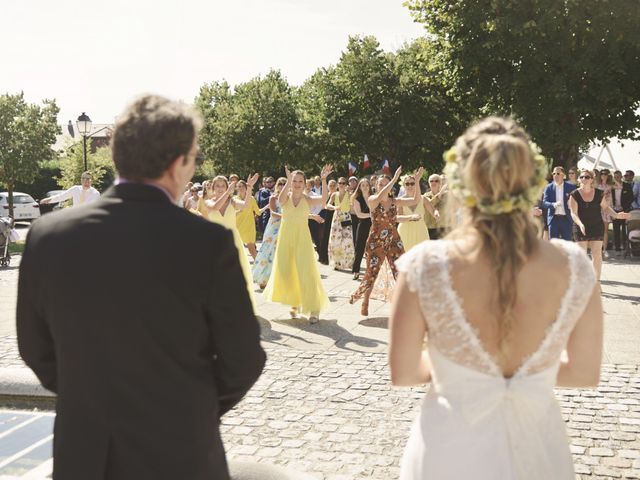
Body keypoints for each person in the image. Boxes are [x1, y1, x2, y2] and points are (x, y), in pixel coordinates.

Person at [17, 94, 265, 480]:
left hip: (86, 454)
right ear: (177, 163)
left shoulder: (48, 235)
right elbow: (244, 358)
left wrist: (91, 400)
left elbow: (35, 348)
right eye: (194, 159)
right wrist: (188, 410)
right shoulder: (207, 243)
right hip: (182, 452)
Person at [390, 117, 601, 480]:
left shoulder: (425, 266)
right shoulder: (574, 266)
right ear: (531, 182)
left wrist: (457, 369)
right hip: (540, 450)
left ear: (461, 184)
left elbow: (405, 372)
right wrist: (528, 378)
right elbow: (584, 373)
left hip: (447, 450)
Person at [349, 166, 424, 316]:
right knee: (372, 273)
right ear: (376, 186)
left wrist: (416, 181)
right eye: (380, 184)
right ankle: (365, 300)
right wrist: (394, 180)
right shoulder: (372, 200)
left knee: (401, 271)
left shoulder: (395, 201)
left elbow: (416, 199)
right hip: (376, 241)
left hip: (394, 239)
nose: (383, 187)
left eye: (386, 184)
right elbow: (379, 197)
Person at [264, 165, 333, 324]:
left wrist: (323, 180)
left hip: (302, 239)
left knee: (306, 272)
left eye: (300, 181)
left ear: (304, 183)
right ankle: (295, 302)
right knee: (287, 272)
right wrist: (288, 180)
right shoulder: (285, 197)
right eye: (294, 181)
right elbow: (280, 200)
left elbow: (323, 200)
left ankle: (314, 309)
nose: (296, 184)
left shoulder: (307, 199)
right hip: (285, 239)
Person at [201, 174, 258, 307]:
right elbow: (215, 207)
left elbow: (245, 205)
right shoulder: (209, 202)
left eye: (223, 185)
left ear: (227, 186)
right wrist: (228, 192)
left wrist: (249, 187)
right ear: (213, 188)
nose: (220, 188)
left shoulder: (232, 201)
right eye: (218, 186)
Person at [569, 169, 629, 278]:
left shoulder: (598, 193)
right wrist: (580, 224)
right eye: (582, 177)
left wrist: (616, 215)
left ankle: (596, 282)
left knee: (597, 255)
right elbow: (573, 213)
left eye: (587, 177)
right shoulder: (574, 194)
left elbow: (606, 208)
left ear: (592, 179)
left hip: (596, 226)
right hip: (580, 227)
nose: (584, 179)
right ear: (579, 179)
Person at [252, 177, 286, 289]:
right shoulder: (273, 197)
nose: (281, 186)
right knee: (269, 251)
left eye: (284, 184)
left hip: (287, 226)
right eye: (280, 183)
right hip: (274, 227)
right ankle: (264, 278)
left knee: (283, 251)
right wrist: (287, 216)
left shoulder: (290, 198)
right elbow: (273, 213)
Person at [397, 174, 439, 252]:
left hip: (420, 231)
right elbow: (398, 218)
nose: (410, 186)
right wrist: (411, 217)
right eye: (407, 184)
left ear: (416, 184)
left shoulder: (423, 198)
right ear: (404, 185)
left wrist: (436, 214)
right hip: (405, 232)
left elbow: (433, 211)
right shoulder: (400, 201)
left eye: (412, 183)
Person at [326, 177, 356, 271]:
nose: (341, 184)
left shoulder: (350, 194)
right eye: (340, 183)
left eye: (343, 183)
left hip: (346, 218)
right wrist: (334, 207)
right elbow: (327, 205)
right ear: (337, 184)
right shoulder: (334, 194)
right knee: (335, 240)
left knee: (347, 240)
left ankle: (348, 262)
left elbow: (354, 204)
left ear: (346, 184)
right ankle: (337, 263)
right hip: (336, 218)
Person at [542, 166, 577, 240]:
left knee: (567, 244)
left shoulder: (571, 187)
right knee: (554, 245)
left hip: (566, 219)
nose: (555, 175)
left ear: (563, 176)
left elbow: (577, 201)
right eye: (554, 173)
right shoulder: (548, 187)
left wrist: (571, 203)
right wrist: (553, 204)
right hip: (553, 219)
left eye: (558, 173)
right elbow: (544, 203)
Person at [235, 180, 263, 260]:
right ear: (236, 188)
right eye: (239, 186)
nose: (241, 188)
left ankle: (259, 268)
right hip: (237, 226)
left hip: (249, 227)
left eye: (242, 186)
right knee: (237, 249)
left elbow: (258, 212)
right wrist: (238, 211)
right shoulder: (234, 199)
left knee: (252, 250)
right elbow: (231, 213)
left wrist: (267, 207)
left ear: (246, 188)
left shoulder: (251, 199)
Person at [351, 178, 372, 280]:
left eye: (366, 185)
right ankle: (356, 271)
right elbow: (359, 214)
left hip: (374, 225)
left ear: (369, 186)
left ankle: (371, 271)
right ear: (359, 187)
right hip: (363, 225)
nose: (365, 187)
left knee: (372, 248)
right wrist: (371, 215)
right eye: (362, 185)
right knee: (359, 248)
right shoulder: (357, 199)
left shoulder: (373, 197)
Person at [611, 170, 635, 254]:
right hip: (614, 211)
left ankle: (625, 246)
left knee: (625, 229)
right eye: (615, 177)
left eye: (618, 176)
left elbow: (631, 198)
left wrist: (626, 208)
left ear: (621, 177)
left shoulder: (627, 186)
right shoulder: (611, 186)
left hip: (624, 210)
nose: (617, 178)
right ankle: (617, 247)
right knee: (616, 229)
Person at [317, 179, 337, 265]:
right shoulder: (326, 195)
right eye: (330, 185)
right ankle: (324, 257)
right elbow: (322, 206)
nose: (332, 187)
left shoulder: (337, 195)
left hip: (334, 217)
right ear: (328, 186)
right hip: (325, 217)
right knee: (324, 237)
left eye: (333, 185)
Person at [424, 174, 447, 239]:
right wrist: (439, 195)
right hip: (430, 228)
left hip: (444, 227)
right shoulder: (426, 196)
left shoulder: (447, 195)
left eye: (436, 181)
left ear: (440, 183)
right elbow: (430, 204)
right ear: (429, 183)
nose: (434, 182)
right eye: (431, 181)